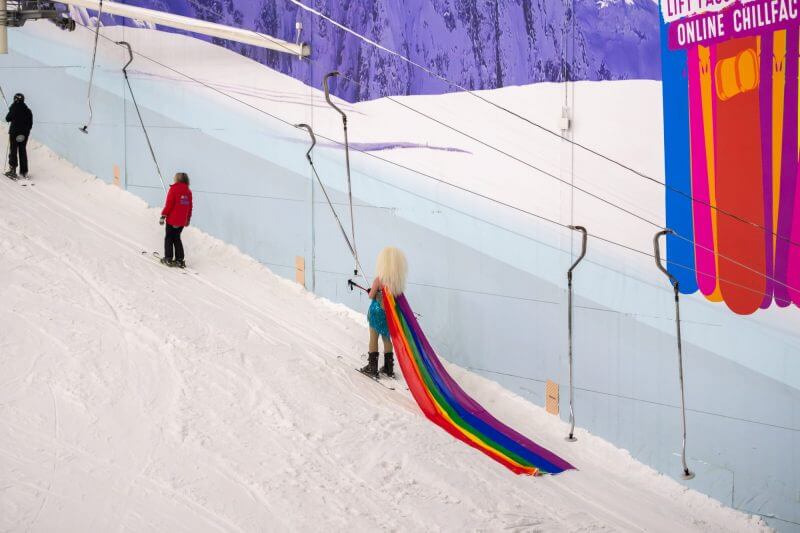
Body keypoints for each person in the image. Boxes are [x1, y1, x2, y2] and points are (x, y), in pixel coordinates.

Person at [360, 247, 408, 378]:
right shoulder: (397, 283)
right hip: (389, 315)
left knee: (373, 337)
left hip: (376, 313)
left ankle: (372, 367)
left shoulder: (379, 280)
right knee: (387, 338)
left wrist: (371, 291)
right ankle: (388, 368)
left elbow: (371, 295)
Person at [159, 172, 193, 268]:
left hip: (172, 220)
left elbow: (169, 205)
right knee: (177, 238)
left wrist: (163, 215)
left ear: (177, 179)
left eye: (175, 177)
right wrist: (188, 219)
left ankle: (168, 258)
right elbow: (189, 207)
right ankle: (179, 260)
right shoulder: (188, 192)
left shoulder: (173, 189)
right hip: (182, 221)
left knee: (169, 238)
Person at [5, 93, 33, 178]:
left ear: (15, 99)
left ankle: (12, 170)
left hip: (14, 133)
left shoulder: (14, 108)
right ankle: (24, 172)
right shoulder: (28, 110)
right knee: (22, 150)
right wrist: (25, 132)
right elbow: (30, 124)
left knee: (13, 150)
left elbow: (7, 119)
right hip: (24, 134)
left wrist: (11, 109)